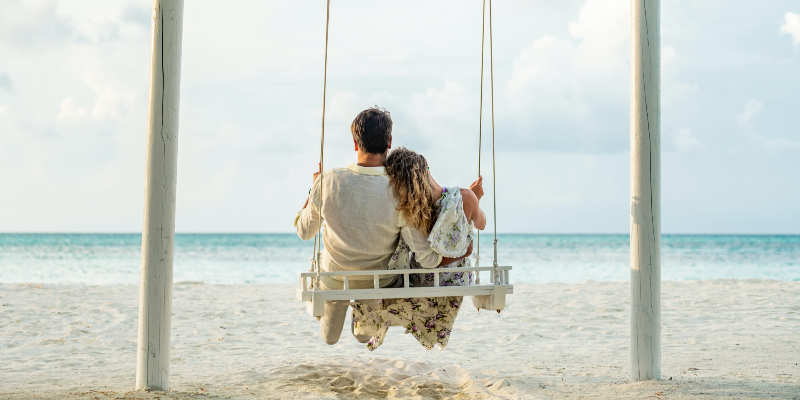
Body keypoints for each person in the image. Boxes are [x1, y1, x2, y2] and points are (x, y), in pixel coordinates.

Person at [294, 107, 473, 345]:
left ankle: (345, 309)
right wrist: (463, 250)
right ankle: (362, 317)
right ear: (389, 142)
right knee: (364, 337)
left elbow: (304, 232)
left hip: (334, 277)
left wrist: (313, 189)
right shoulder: (400, 189)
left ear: (355, 143)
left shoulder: (328, 181)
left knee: (329, 338)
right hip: (378, 282)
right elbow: (426, 259)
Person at [351, 147, 487, 351]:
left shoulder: (411, 210)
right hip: (455, 280)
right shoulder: (464, 196)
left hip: (421, 277)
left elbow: (423, 259)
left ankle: (368, 319)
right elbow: (481, 224)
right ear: (427, 170)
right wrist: (474, 201)